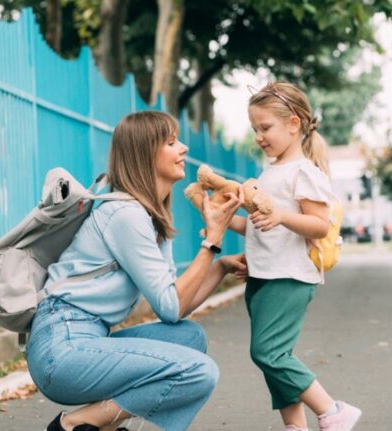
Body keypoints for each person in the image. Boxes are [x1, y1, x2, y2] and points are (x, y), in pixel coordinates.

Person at [26, 111, 248, 431]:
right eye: (172, 142)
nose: (184, 148)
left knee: (188, 337)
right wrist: (212, 240)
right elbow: (170, 305)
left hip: (87, 340)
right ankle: (76, 424)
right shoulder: (124, 214)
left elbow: (175, 307)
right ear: (145, 153)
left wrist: (220, 267)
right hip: (62, 350)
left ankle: (99, 426)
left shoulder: (148, 216)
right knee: (199, 371)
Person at [226, 81, 362, 431]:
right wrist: (228, 221)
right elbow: (264, 226)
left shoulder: (305, 173)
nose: (259, 136)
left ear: (294, 123)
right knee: (274, 356)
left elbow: (319, 225)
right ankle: (294, 426)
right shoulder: (269, 174)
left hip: (290, 277)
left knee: (268, 353)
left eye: (265, 127)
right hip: (263, 276)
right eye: (255, 128)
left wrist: (282, 216)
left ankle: (333, 411)